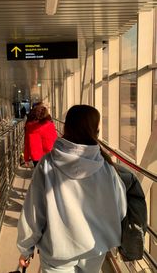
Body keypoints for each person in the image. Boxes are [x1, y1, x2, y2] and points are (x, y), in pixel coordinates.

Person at [17, 105, 127, 273]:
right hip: (94, 249)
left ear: (66, 127)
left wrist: (26, 248)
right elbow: (120, 210)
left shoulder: (47, 164)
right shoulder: (107, 167)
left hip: (57, 252)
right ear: (95, 130)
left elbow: (33, 212)